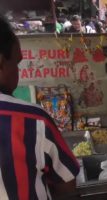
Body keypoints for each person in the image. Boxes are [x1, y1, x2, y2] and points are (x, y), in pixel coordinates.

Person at [0, 16, 79, 199]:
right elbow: (66, 185)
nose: (18, 72)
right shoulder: (33, 120)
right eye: (17, 63)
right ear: (2, 62)